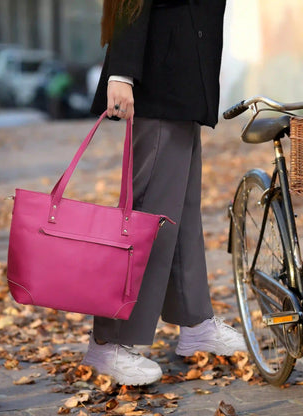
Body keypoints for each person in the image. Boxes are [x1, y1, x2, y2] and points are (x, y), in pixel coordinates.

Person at [82, 0, 247, 386]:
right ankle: (110, 340)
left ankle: (194, 320)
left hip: (185, 80)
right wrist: (120, 72)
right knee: (147, 217)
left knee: (181, 213)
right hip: (158, 78)